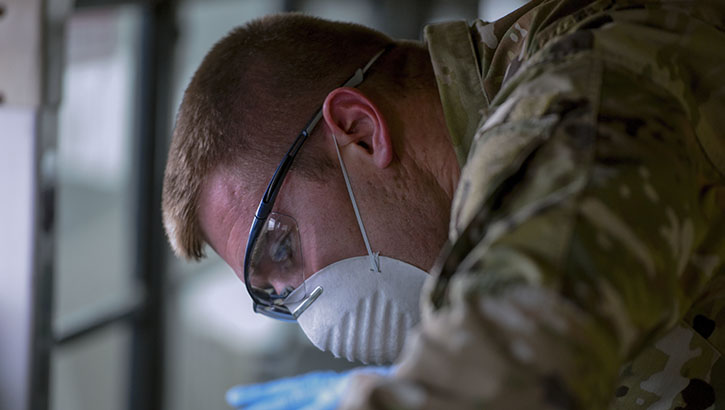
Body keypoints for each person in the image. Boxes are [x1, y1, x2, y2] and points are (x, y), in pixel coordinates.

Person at [162, 0, 725, 408]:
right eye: (276, 297)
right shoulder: (470, 219)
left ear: (359, 131)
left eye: (282, 247)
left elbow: (516, 354)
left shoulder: (585, 90)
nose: (310, 310)